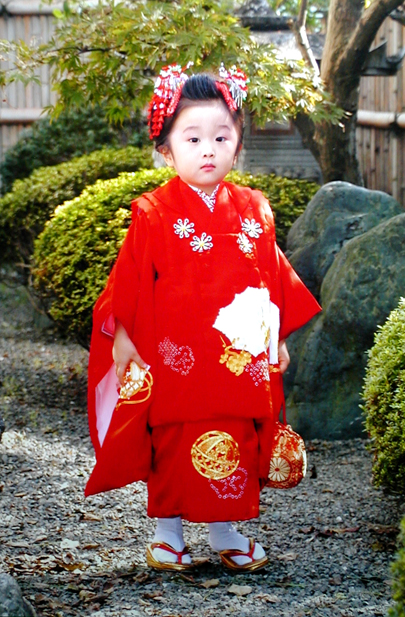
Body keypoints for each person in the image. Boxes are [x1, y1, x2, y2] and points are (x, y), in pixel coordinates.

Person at [85, 63, 321, 572]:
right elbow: (124, 281)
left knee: (235, 437)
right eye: (192, 138)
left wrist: (275, 338)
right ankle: (167, 533)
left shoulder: (255, 209)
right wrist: (122, 336)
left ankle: (225, 531)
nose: (208, 149)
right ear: (166, 148)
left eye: (221, 136)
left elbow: (272, 278)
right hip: (176, 355)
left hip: (237, 359)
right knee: (172, 437)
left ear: (239, 143)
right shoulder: (152, 211)